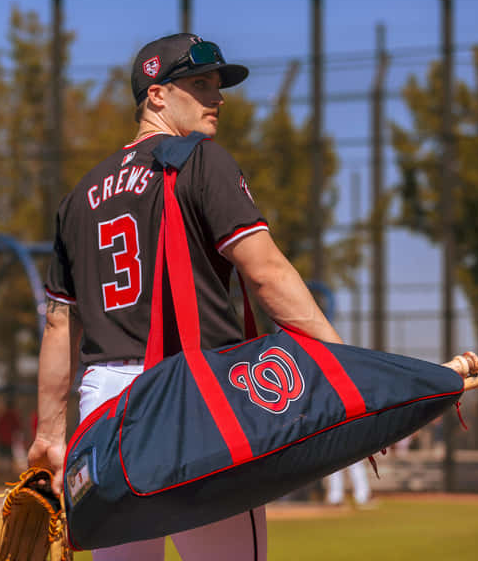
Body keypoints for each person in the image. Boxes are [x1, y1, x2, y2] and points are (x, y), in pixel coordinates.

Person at [27, 33, 345, 561]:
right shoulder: (200, 161)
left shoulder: (78, 197)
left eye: (217, 86)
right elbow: (265, 274)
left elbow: (60, 326)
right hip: (189, 394)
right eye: (199, 85)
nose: (216, 98)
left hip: (104, 401)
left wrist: (50, 435)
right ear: (155, 95)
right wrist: (341, 366)